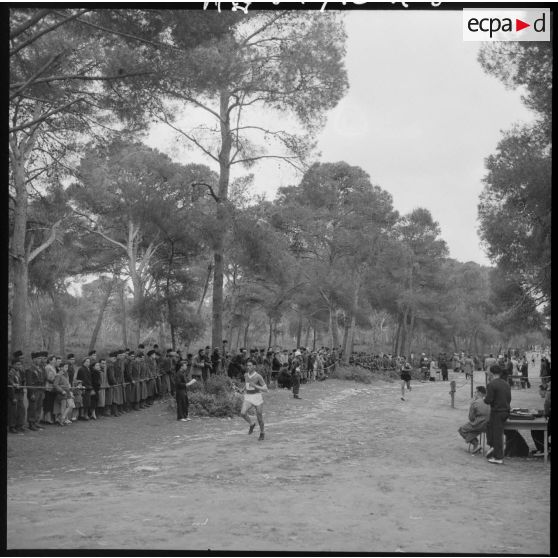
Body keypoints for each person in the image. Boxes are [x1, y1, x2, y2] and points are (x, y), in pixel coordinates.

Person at [484, 365, 512, 464]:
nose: (486, 372)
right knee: (491, 428)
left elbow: (488, 400)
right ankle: (494, 448)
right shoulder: (506, 383)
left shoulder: (491, 384)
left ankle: (498, 457)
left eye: (487, 370)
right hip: (506, 411)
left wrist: (484, 399)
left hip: (497, 412)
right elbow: (509, 399)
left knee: (497, 435)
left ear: (492, 372)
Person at [240, 359, 268, 441]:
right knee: (242, 413)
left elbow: (266, 389)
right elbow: (247, 384)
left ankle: (262, 432)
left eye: (250, 365)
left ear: (254, 366)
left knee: (259, 416)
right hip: (248, 396)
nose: (248, 367)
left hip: (257, 397)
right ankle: (251, 424)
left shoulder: (258, 376)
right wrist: (243, 389)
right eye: (247, 365)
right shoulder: (245, 375)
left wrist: (256, 386)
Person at [458, 386, 490, 453]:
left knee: (462, 429)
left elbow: (471, 418)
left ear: (479, 393)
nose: (474, 394)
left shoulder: (475, 402)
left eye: (475, 392)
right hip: (489, 425)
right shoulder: (489, 401)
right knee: (472, 428)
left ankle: (476, 443)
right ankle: (476, 445)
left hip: (478, 424)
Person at [531, 383, 551, 457]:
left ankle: (543, 449)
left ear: (544, 390)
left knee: (535, 429)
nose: (539, 393)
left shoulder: (548, 393)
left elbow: (547, 405)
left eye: (540, 391)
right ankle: (545, 447)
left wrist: (544, 413)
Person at [8, 360, 27, 434]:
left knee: (21, 409)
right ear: (13, 365)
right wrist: (13, 384)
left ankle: (19, 425)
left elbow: (22, 380)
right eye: (17, 364)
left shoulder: (21, 372)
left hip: (20, 393)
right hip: (13, 393)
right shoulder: (10, 372)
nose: (19, 366)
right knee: (13, 411)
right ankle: (12, 426)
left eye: (20, 364)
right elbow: (9, 381)